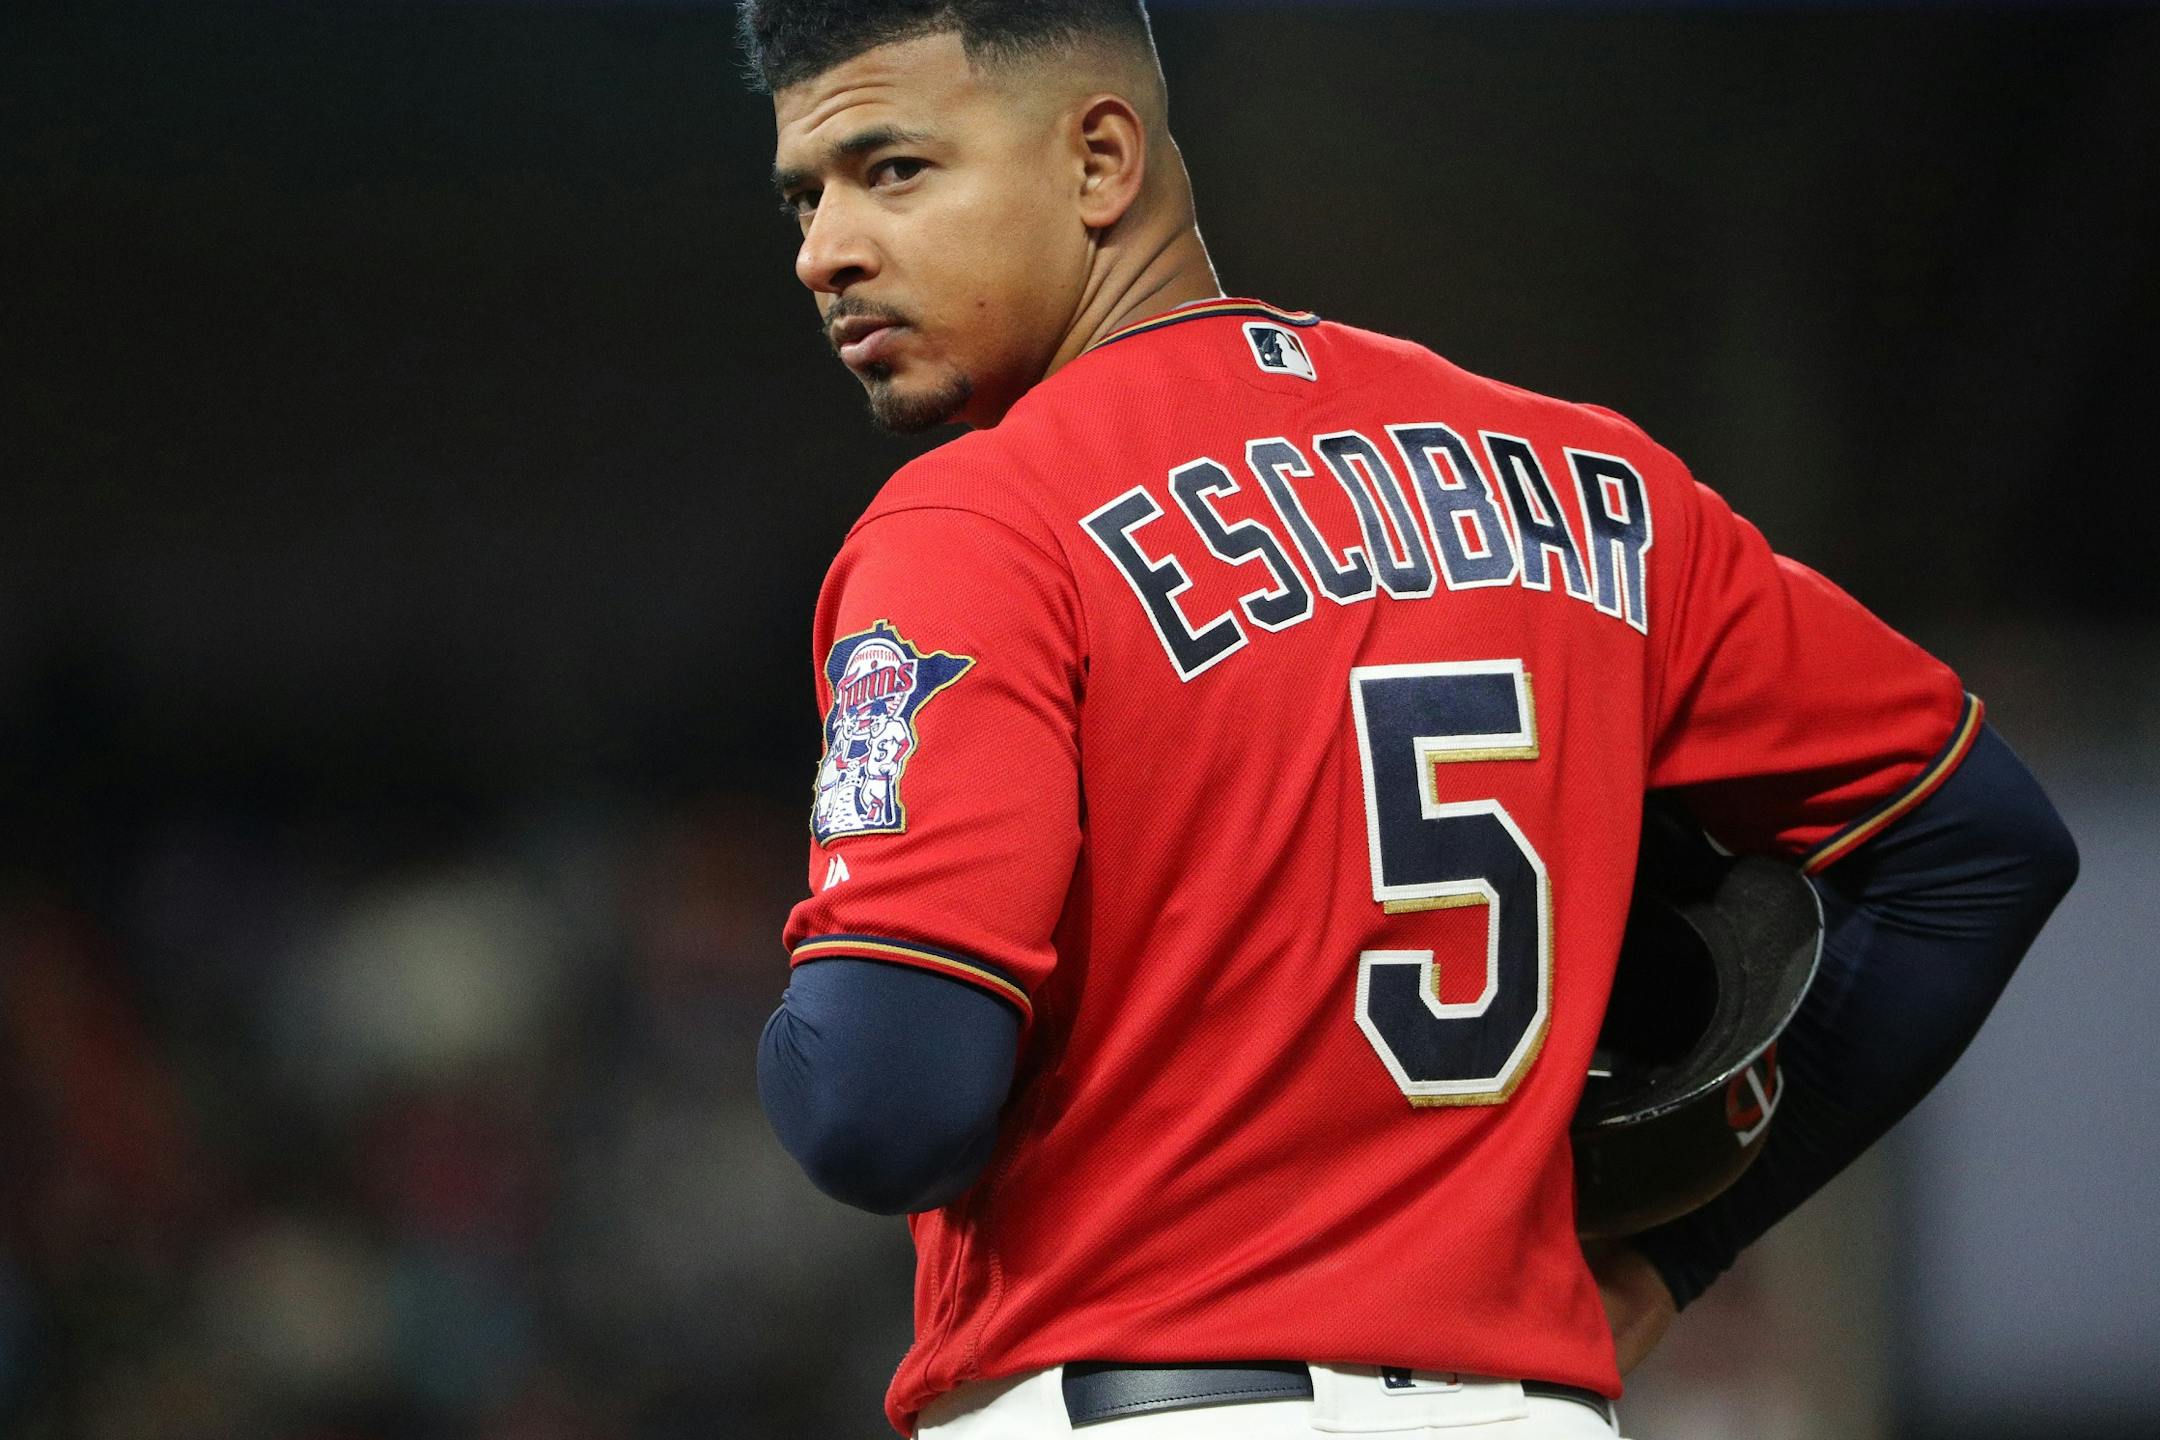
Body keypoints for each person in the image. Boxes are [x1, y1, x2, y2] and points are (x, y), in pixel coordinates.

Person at [745, 4, 2079, 1437]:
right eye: (804, 196)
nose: (827, 250)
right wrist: (1677, 1255)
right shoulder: (1587, 482)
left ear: (1101, 159)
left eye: (892, 170)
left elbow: (882, 1105)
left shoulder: (980, 523)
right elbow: (1977, 847)